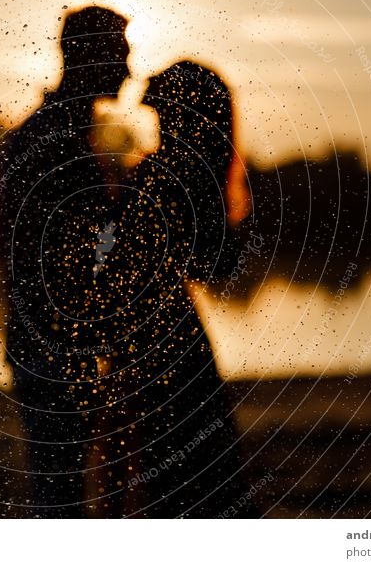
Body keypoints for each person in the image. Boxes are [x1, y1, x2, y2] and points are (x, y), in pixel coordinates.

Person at [89, 61, 257, 518]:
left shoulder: (161, 175)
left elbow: (118, 260)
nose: (156, 121)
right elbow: (218, 265)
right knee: (193, 461)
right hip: (177, 330)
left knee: (154, 463)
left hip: (147, 332)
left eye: (162, 111)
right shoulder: (202, 176)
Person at [1, 5, 131, 518]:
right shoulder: (50, 140)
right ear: (89, 57)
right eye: (120, 52)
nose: (129, 68)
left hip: (59, 342)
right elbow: (44, 258)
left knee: (70, 490)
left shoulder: (65, 133)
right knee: (62, 497)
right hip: (53, 347)